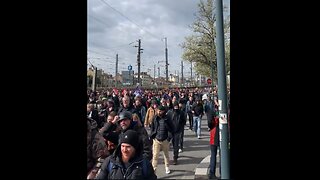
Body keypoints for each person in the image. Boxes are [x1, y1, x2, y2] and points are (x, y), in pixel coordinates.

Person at [150, 105, 174, 174]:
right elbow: (152, 127)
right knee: (155, 155)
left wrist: (169, 138)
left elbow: (171, 128)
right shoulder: (155, 118)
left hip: (165, 139)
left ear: (163, 111)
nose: (159, 112)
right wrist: (152, 136)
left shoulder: (167, 118)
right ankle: (154, 169)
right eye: (158, 111)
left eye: (160, 111)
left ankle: (167, 167)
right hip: (156, 139)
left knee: (166, 154)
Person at [207, 110, 221, 180]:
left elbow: (209, 123)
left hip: (214, 133)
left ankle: (212, 173)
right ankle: (222, 172)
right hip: (222, 135)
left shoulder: (212, 111)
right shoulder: (226, 109)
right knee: (222, 155)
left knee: (213, 155)